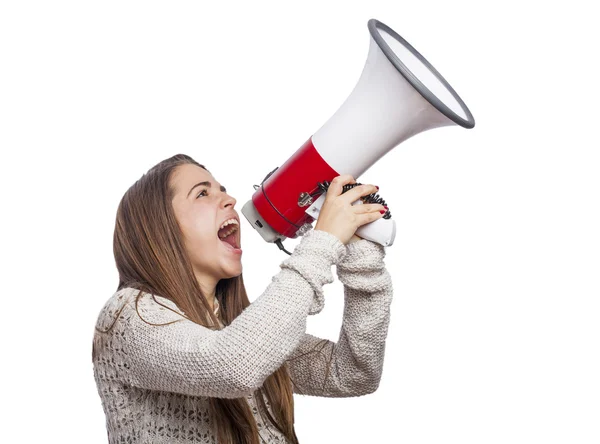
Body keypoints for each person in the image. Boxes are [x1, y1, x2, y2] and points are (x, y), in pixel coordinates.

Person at [92, 153, 394, 444]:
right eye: (202, 194)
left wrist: (360, 255)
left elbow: (353, 372)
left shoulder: (238, 329)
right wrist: (323, 242)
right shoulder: (126, 317)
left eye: (222, 190)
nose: (230, 199)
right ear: (159, 228)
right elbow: (233, 366)